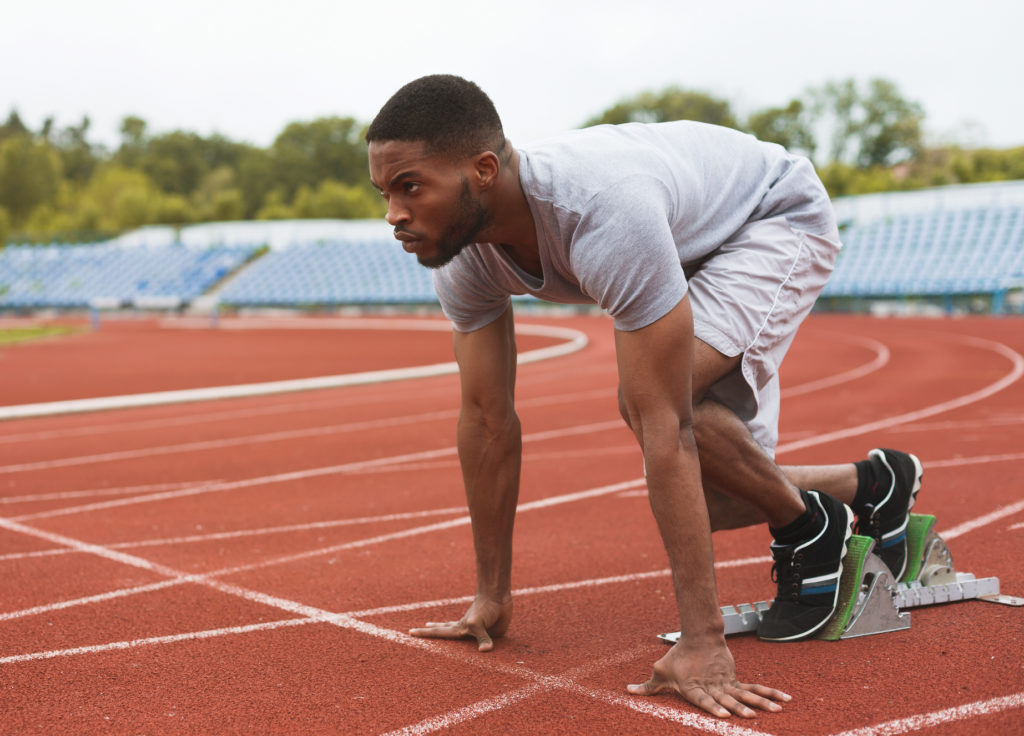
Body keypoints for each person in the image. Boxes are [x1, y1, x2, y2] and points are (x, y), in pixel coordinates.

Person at [365, 74, 922, 719]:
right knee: (709, 502)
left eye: (410, 187)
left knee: (650, 403)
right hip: (678, 236)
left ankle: (805, 523)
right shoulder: (463, 254)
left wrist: (702, 641)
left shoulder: (600, 209)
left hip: (766, 218)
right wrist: (492, 596)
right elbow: (488, 419)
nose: (394, 215)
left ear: (483, 169)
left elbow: (666, 425)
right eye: (384, 192)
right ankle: (868, 486)